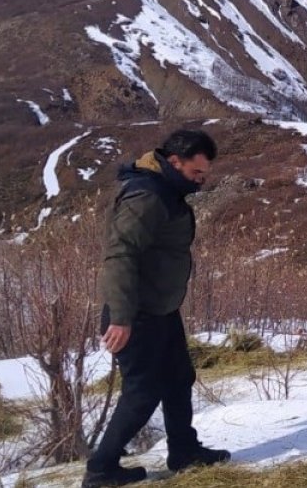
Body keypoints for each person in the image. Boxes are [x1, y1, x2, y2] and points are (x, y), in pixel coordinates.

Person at [82, 130, 230, 488]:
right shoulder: (147, 197)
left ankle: (184, 451)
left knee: (178, 378)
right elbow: (119, 255)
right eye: (196, 173)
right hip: (136, 312)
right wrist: (121, 317)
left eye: (205, 173)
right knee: (142, 391)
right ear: (174, 162)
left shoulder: (166, 190)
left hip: (161, 308)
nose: (201, 180)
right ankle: (101, 470)